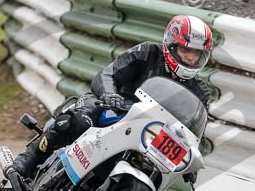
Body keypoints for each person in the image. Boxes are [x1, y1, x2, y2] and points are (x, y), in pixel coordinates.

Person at [13, 15, 212, 181]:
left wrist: (191, 162)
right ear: (171, 44)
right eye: (186, 50)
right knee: (78, 121)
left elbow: (195, 132)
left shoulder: (201, 90)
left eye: (197, 53)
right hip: (114, 107)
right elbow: (107, 75)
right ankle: (30, 158)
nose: (190, 58)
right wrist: (110, 94)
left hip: (150, 133)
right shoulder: (148, 52)